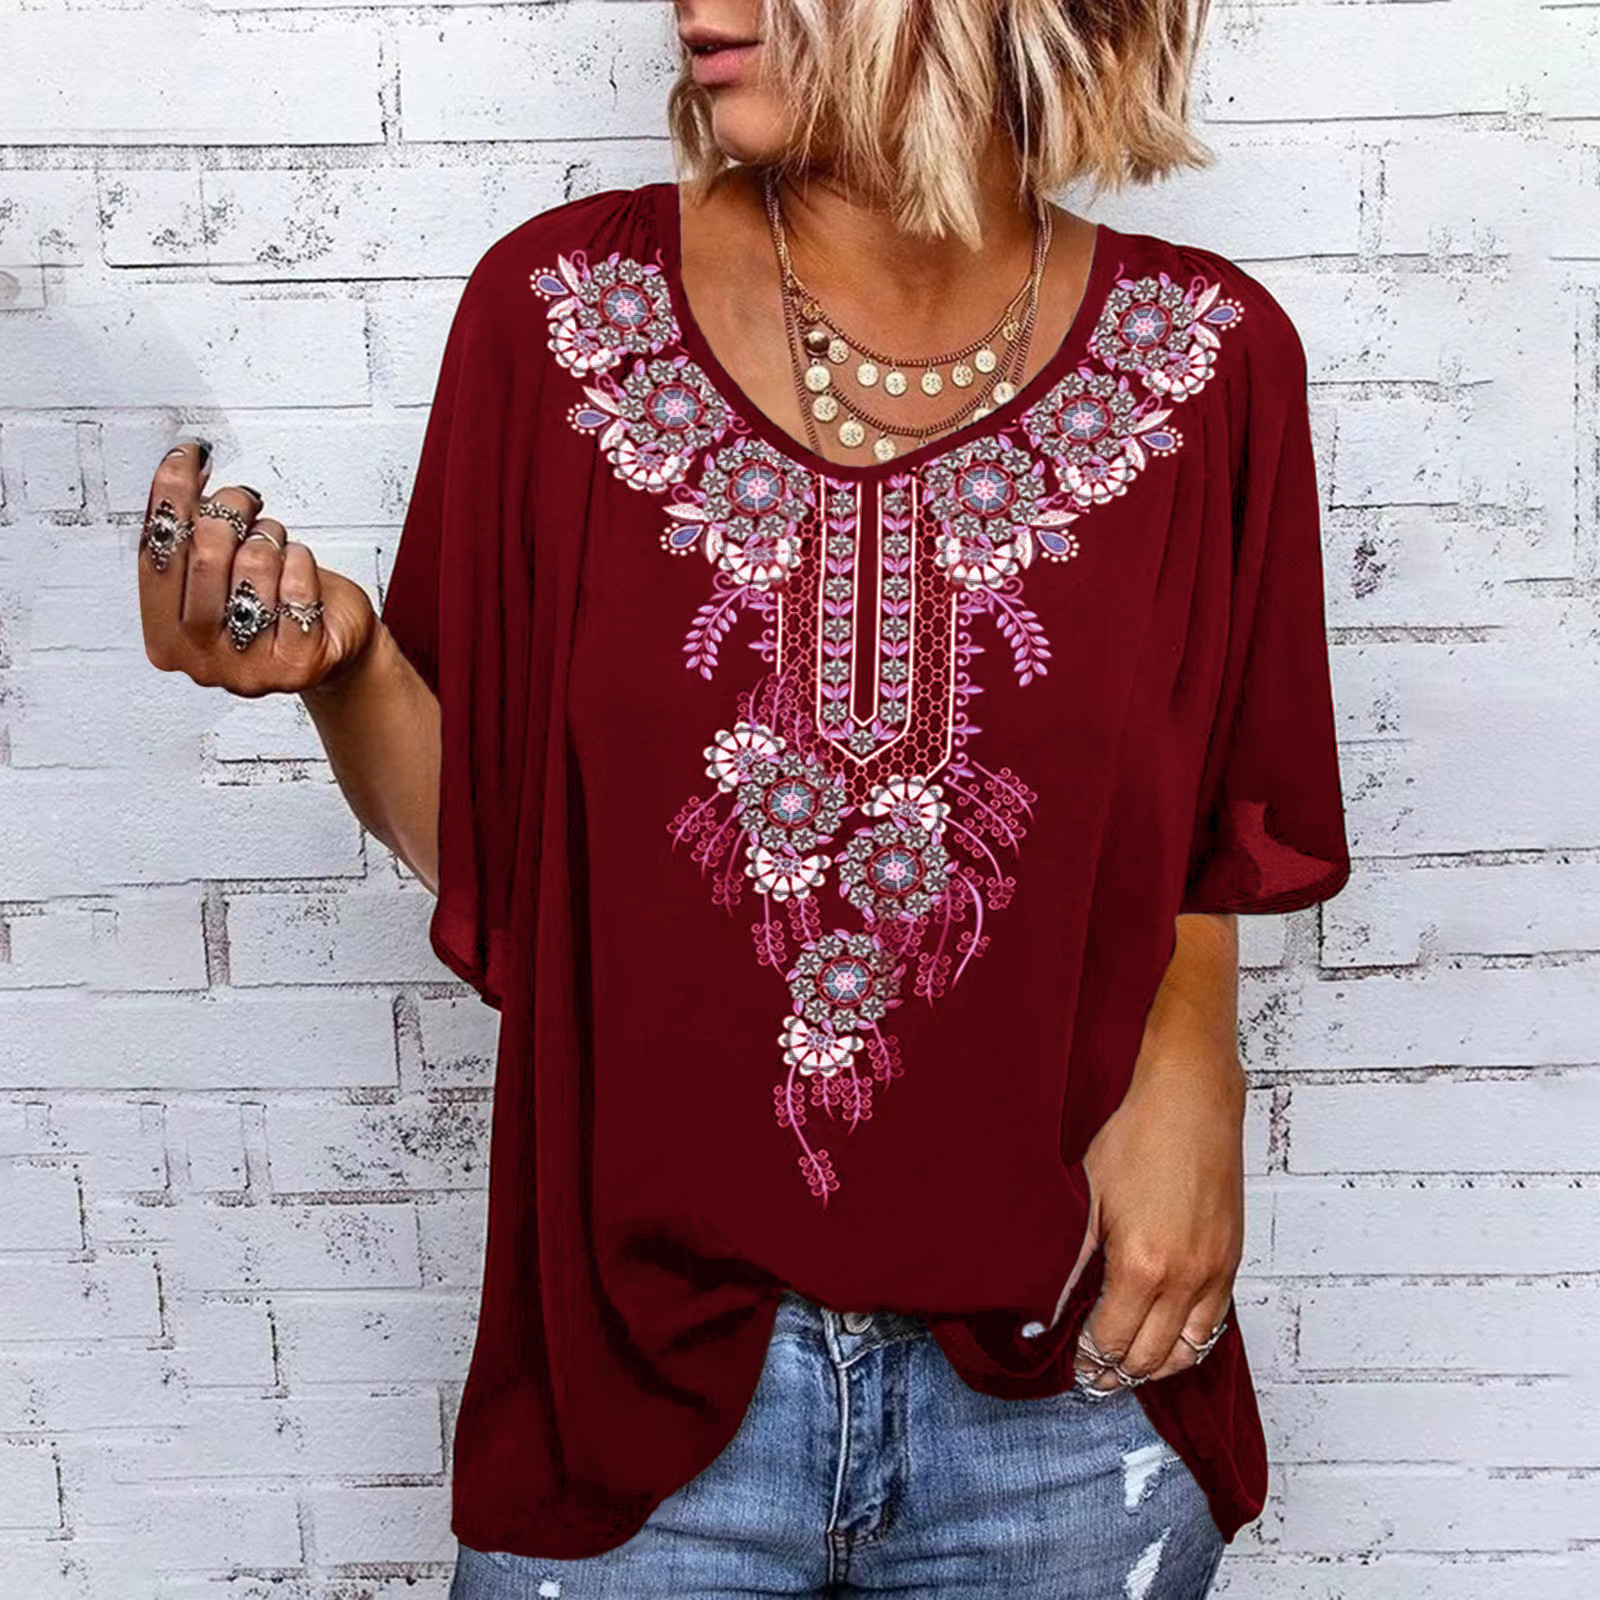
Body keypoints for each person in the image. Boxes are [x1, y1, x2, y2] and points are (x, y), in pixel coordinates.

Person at [135, 0, 1352, 1593]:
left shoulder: (1208, 361)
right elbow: (507, 867)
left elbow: (1207, 824)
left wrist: (1199, 1068)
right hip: (634, 1398)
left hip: (1068, 1395)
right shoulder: (558, 316)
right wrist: (347, 670)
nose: (698, 8)